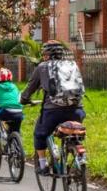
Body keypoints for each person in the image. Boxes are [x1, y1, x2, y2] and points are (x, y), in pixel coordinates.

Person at [20, 41, 86, 174]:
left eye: (44, 54)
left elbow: (31, 87)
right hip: (77, 110)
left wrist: (24, 99)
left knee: (40, 134)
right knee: (73, 133)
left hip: (52, 112)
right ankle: (78, 155)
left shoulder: (42, 67)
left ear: (46, 55)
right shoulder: (72, 64)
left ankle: (43, 165)